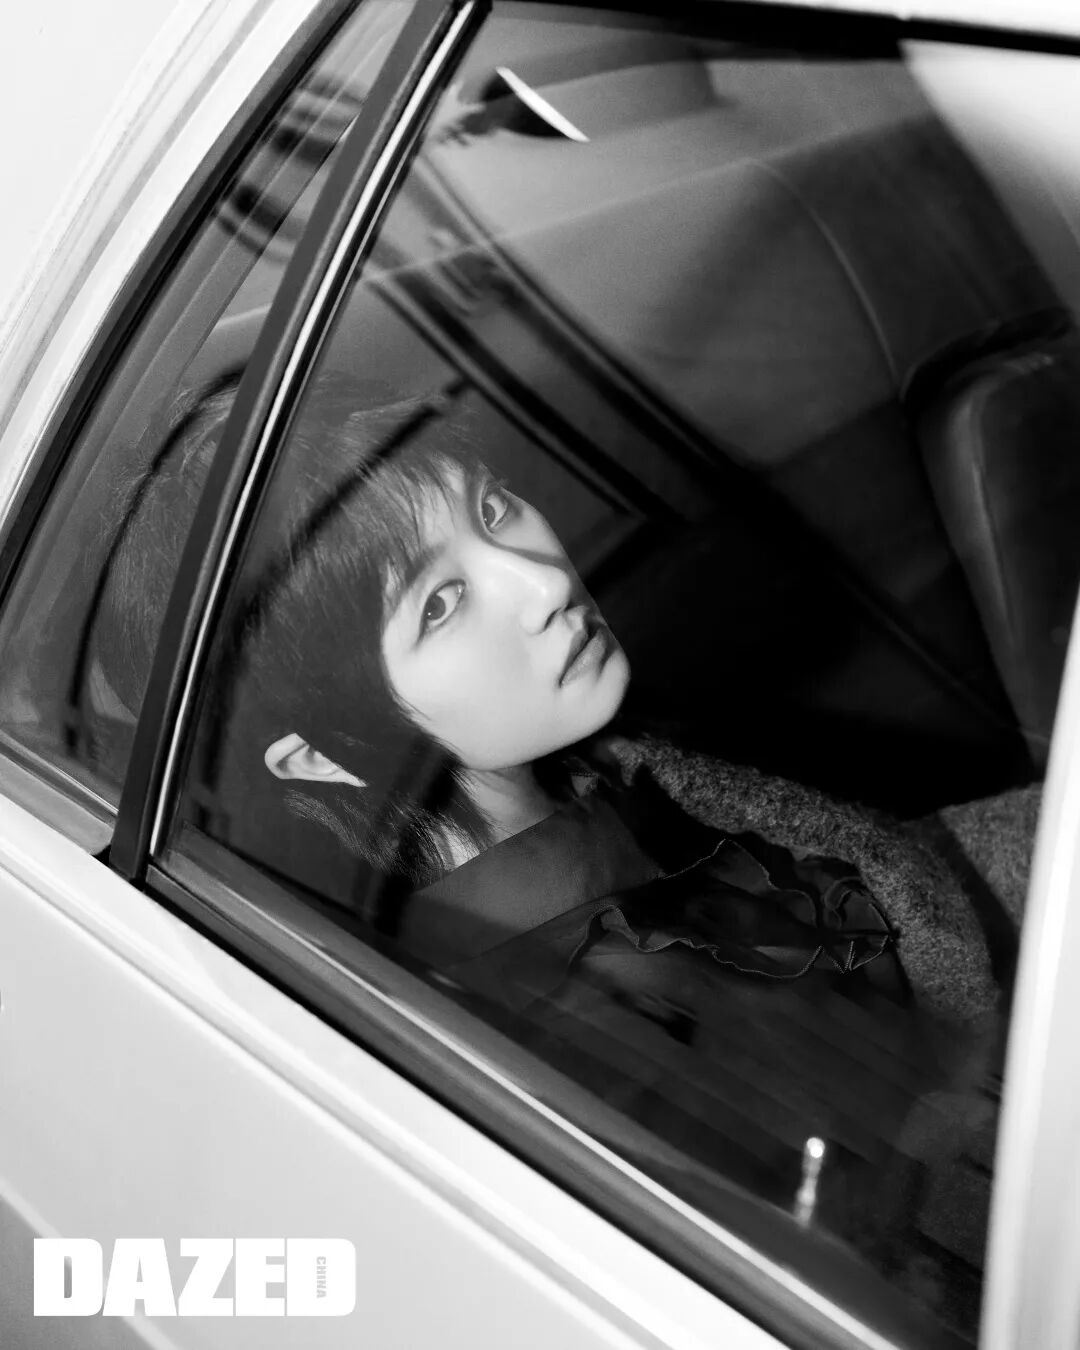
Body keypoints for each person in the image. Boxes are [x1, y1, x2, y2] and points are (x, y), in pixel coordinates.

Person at [100, 377, 1034, 1325]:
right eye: (441, 603)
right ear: (316, 756)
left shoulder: (607, 790)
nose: (542, 579)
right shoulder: (571, 1022)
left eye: (492, 508)